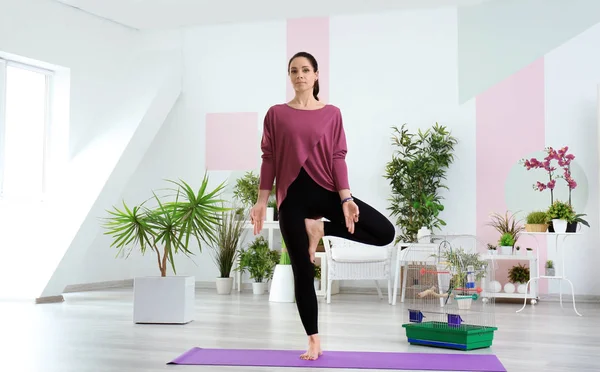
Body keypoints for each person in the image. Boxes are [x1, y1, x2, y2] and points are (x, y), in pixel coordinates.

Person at [249, 51, 396, 361]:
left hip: (325, 189)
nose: (299, 74)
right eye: (293, 70)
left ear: (316, 75)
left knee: (384, 232)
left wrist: (346, 198)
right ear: (289, 76)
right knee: (303, 268)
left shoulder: (332, 113)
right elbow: (269, 159)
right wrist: (262, 202)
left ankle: (321, 227)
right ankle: (313, 339)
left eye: (305, 70)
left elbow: (337, 157)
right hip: (291, 198)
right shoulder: (276, 114)